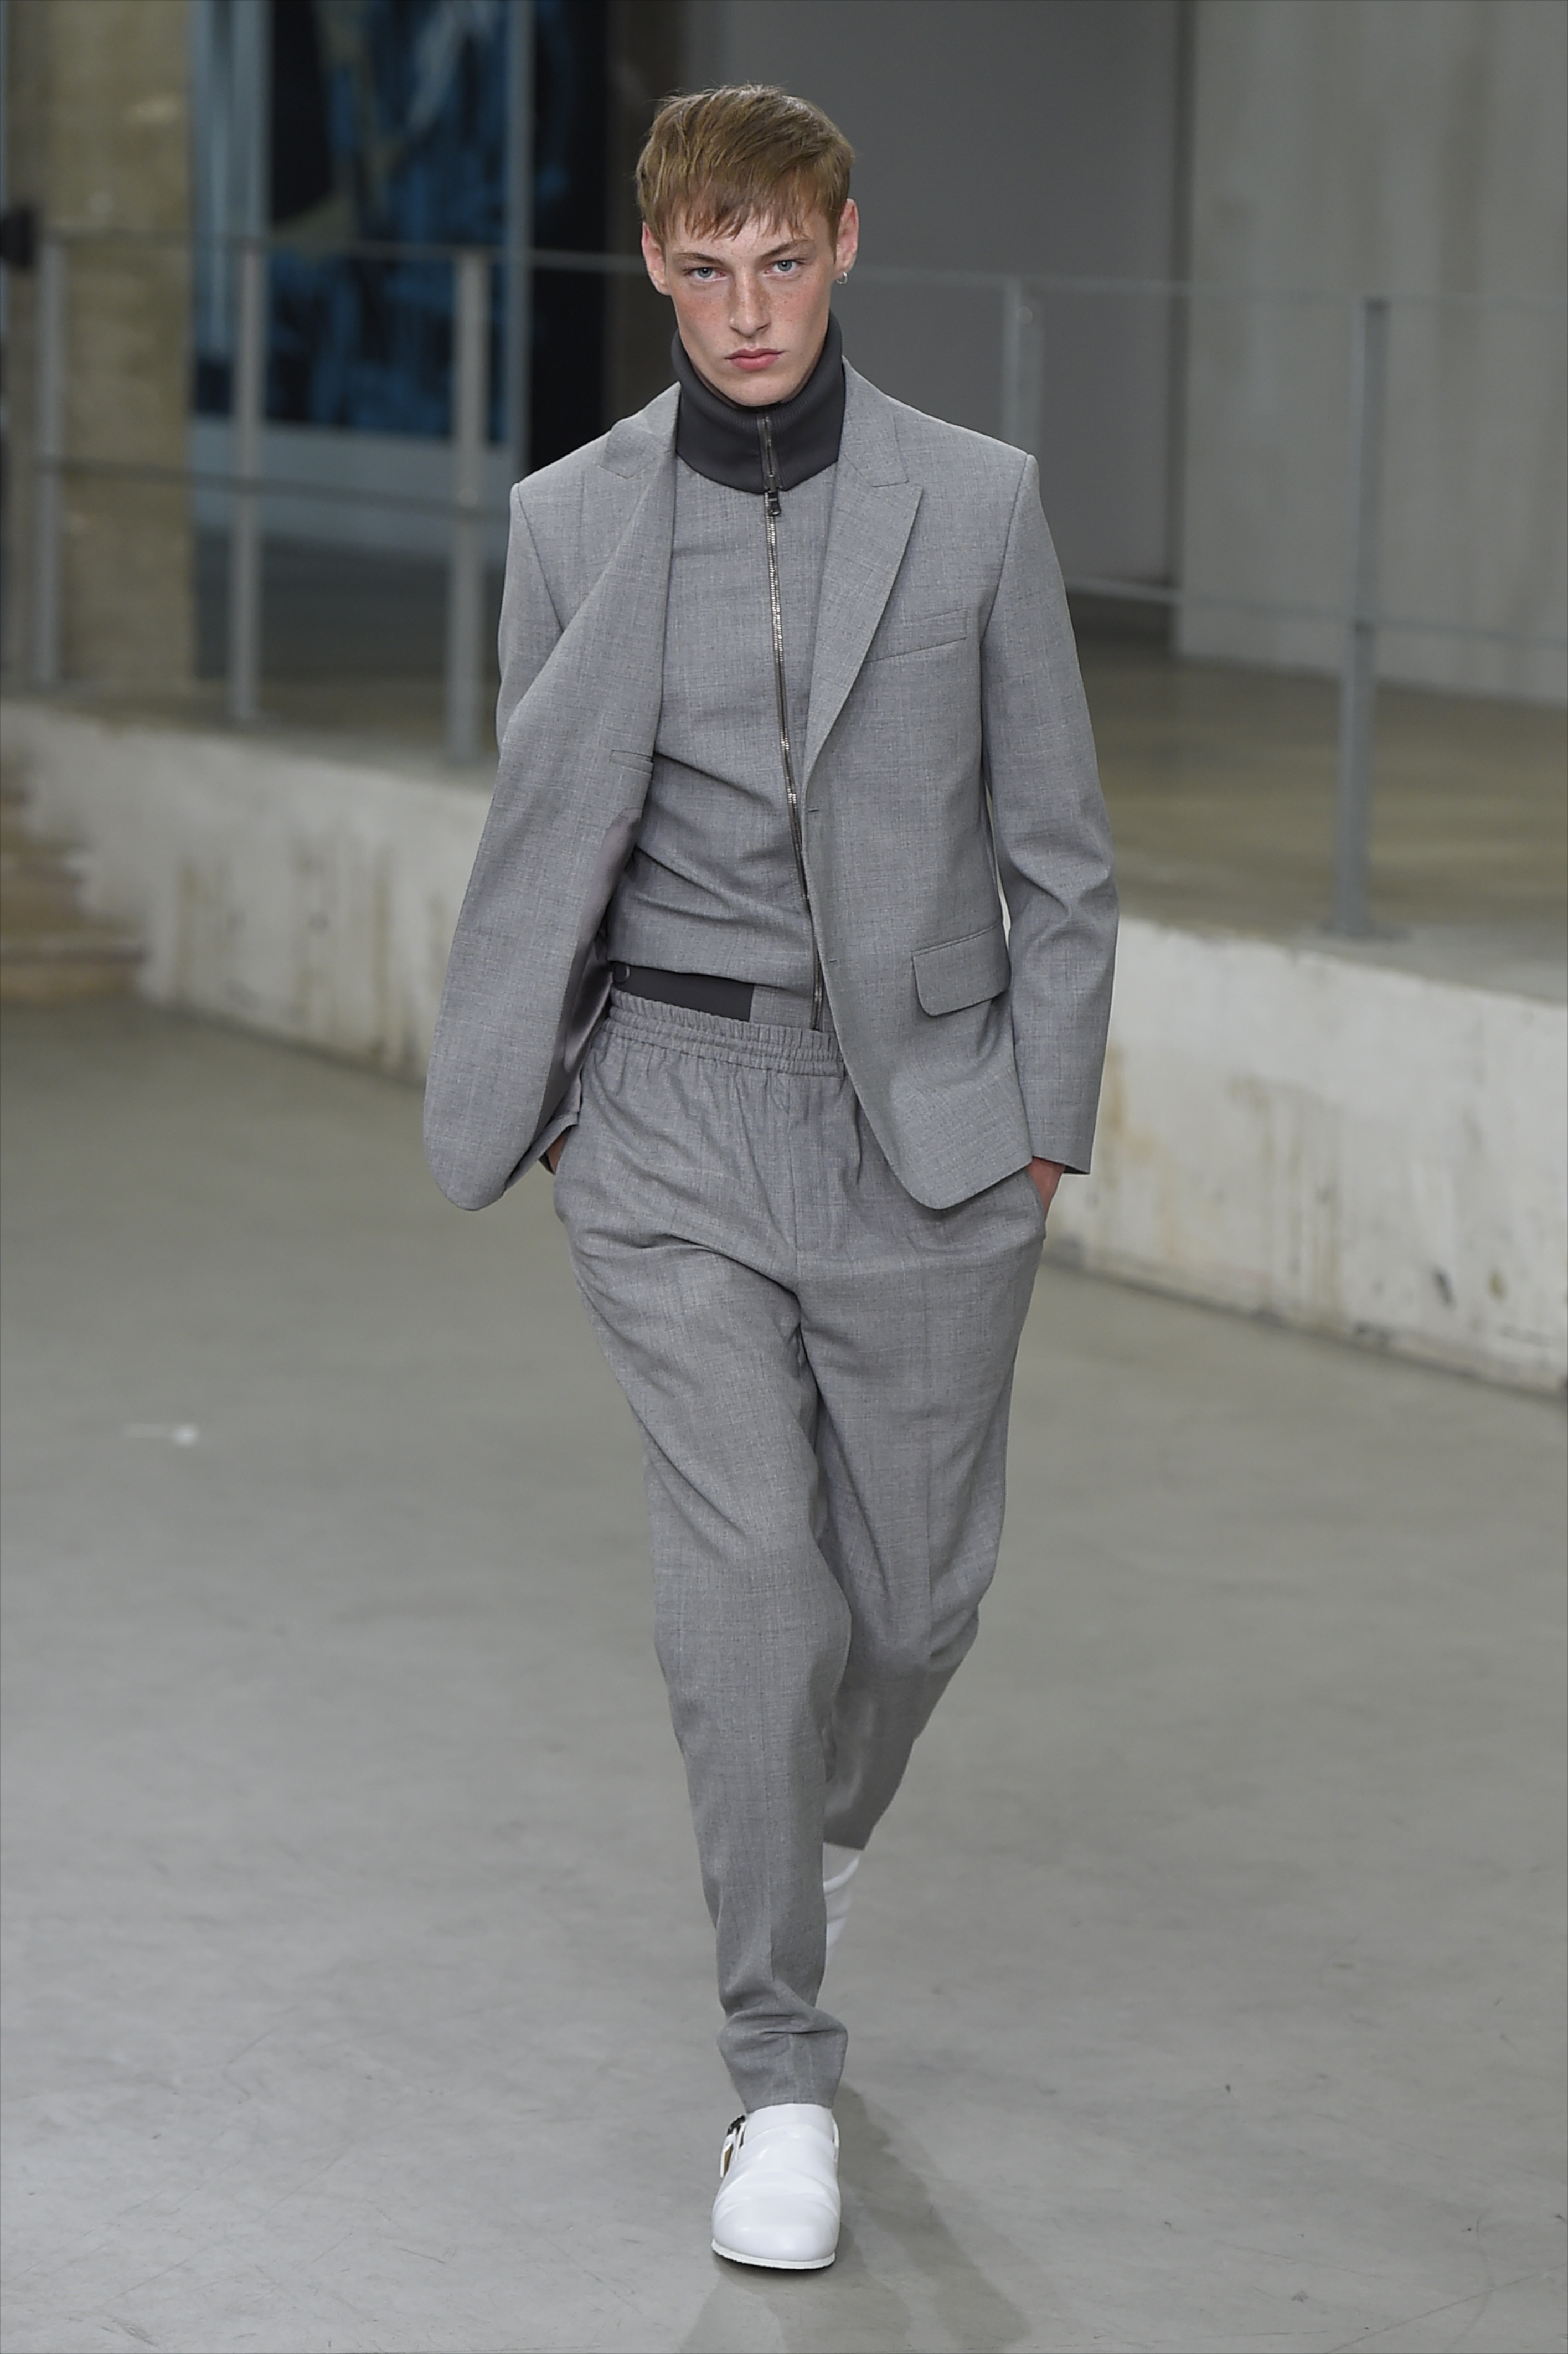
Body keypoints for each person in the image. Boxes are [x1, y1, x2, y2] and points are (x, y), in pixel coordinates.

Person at [424, 84, 1116, 2271]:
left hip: (930, 1126)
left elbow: (1061, 853)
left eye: (782, 261)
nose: (747, 309)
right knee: (749, 1590)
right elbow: (544, 826)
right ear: (658, 264)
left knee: (912, 1605)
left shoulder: (978, 503)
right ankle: (777, 2073)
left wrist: (1043, 1124)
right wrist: (558, 1098)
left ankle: (806, 1827)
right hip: (668, 1113)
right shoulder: (569, 520)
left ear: (843, 245)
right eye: (707, 268)